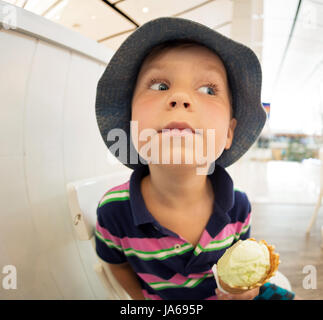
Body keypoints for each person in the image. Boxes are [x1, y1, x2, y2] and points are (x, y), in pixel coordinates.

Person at [94, 17, 297, 300]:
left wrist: (245, 290)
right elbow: (117, 266)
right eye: (160, 86)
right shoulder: (113, 211)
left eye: (208, 89)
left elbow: (243, 267)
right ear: (130, 124)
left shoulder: (239, 207)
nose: (179, 97)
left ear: (228, 133)